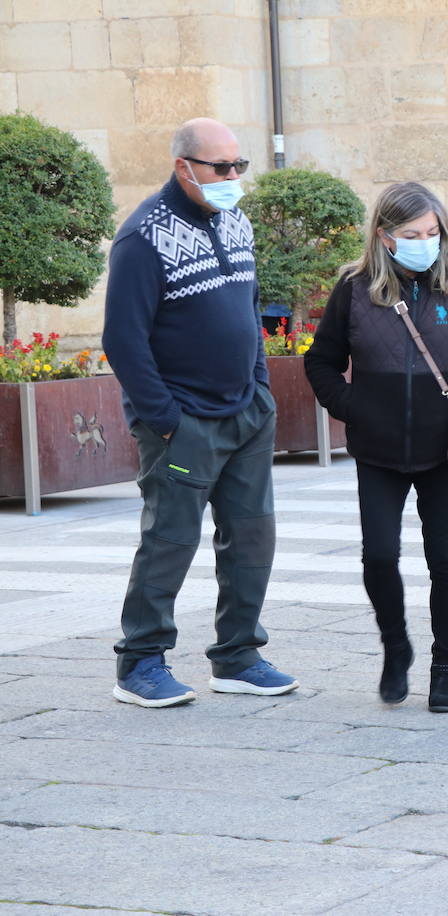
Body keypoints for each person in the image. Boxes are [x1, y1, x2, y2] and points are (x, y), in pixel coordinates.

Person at [103, 117, 296, 707]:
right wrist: (167, 420)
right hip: (183, 422)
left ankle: (237, 657)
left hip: (245, 412)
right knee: (170, 539)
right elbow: (123, 340)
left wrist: (261, 388)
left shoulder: (236, 221)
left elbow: (250, 306)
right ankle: (140, 664)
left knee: (252, 537)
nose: (233, 176)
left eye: (239, 166)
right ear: (184, 166)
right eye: (221, 167)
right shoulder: (143, 237)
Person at [305, 181, 448, 712]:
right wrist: (353, 407)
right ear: (385, 236)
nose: (426, 241)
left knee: (445, 560)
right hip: (377, 449)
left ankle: (447, 664)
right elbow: (321, 361)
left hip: (446, 451)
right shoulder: (355, 288)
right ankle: (395, 647)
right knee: (378, 556)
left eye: (432, 231)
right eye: (411, 233)